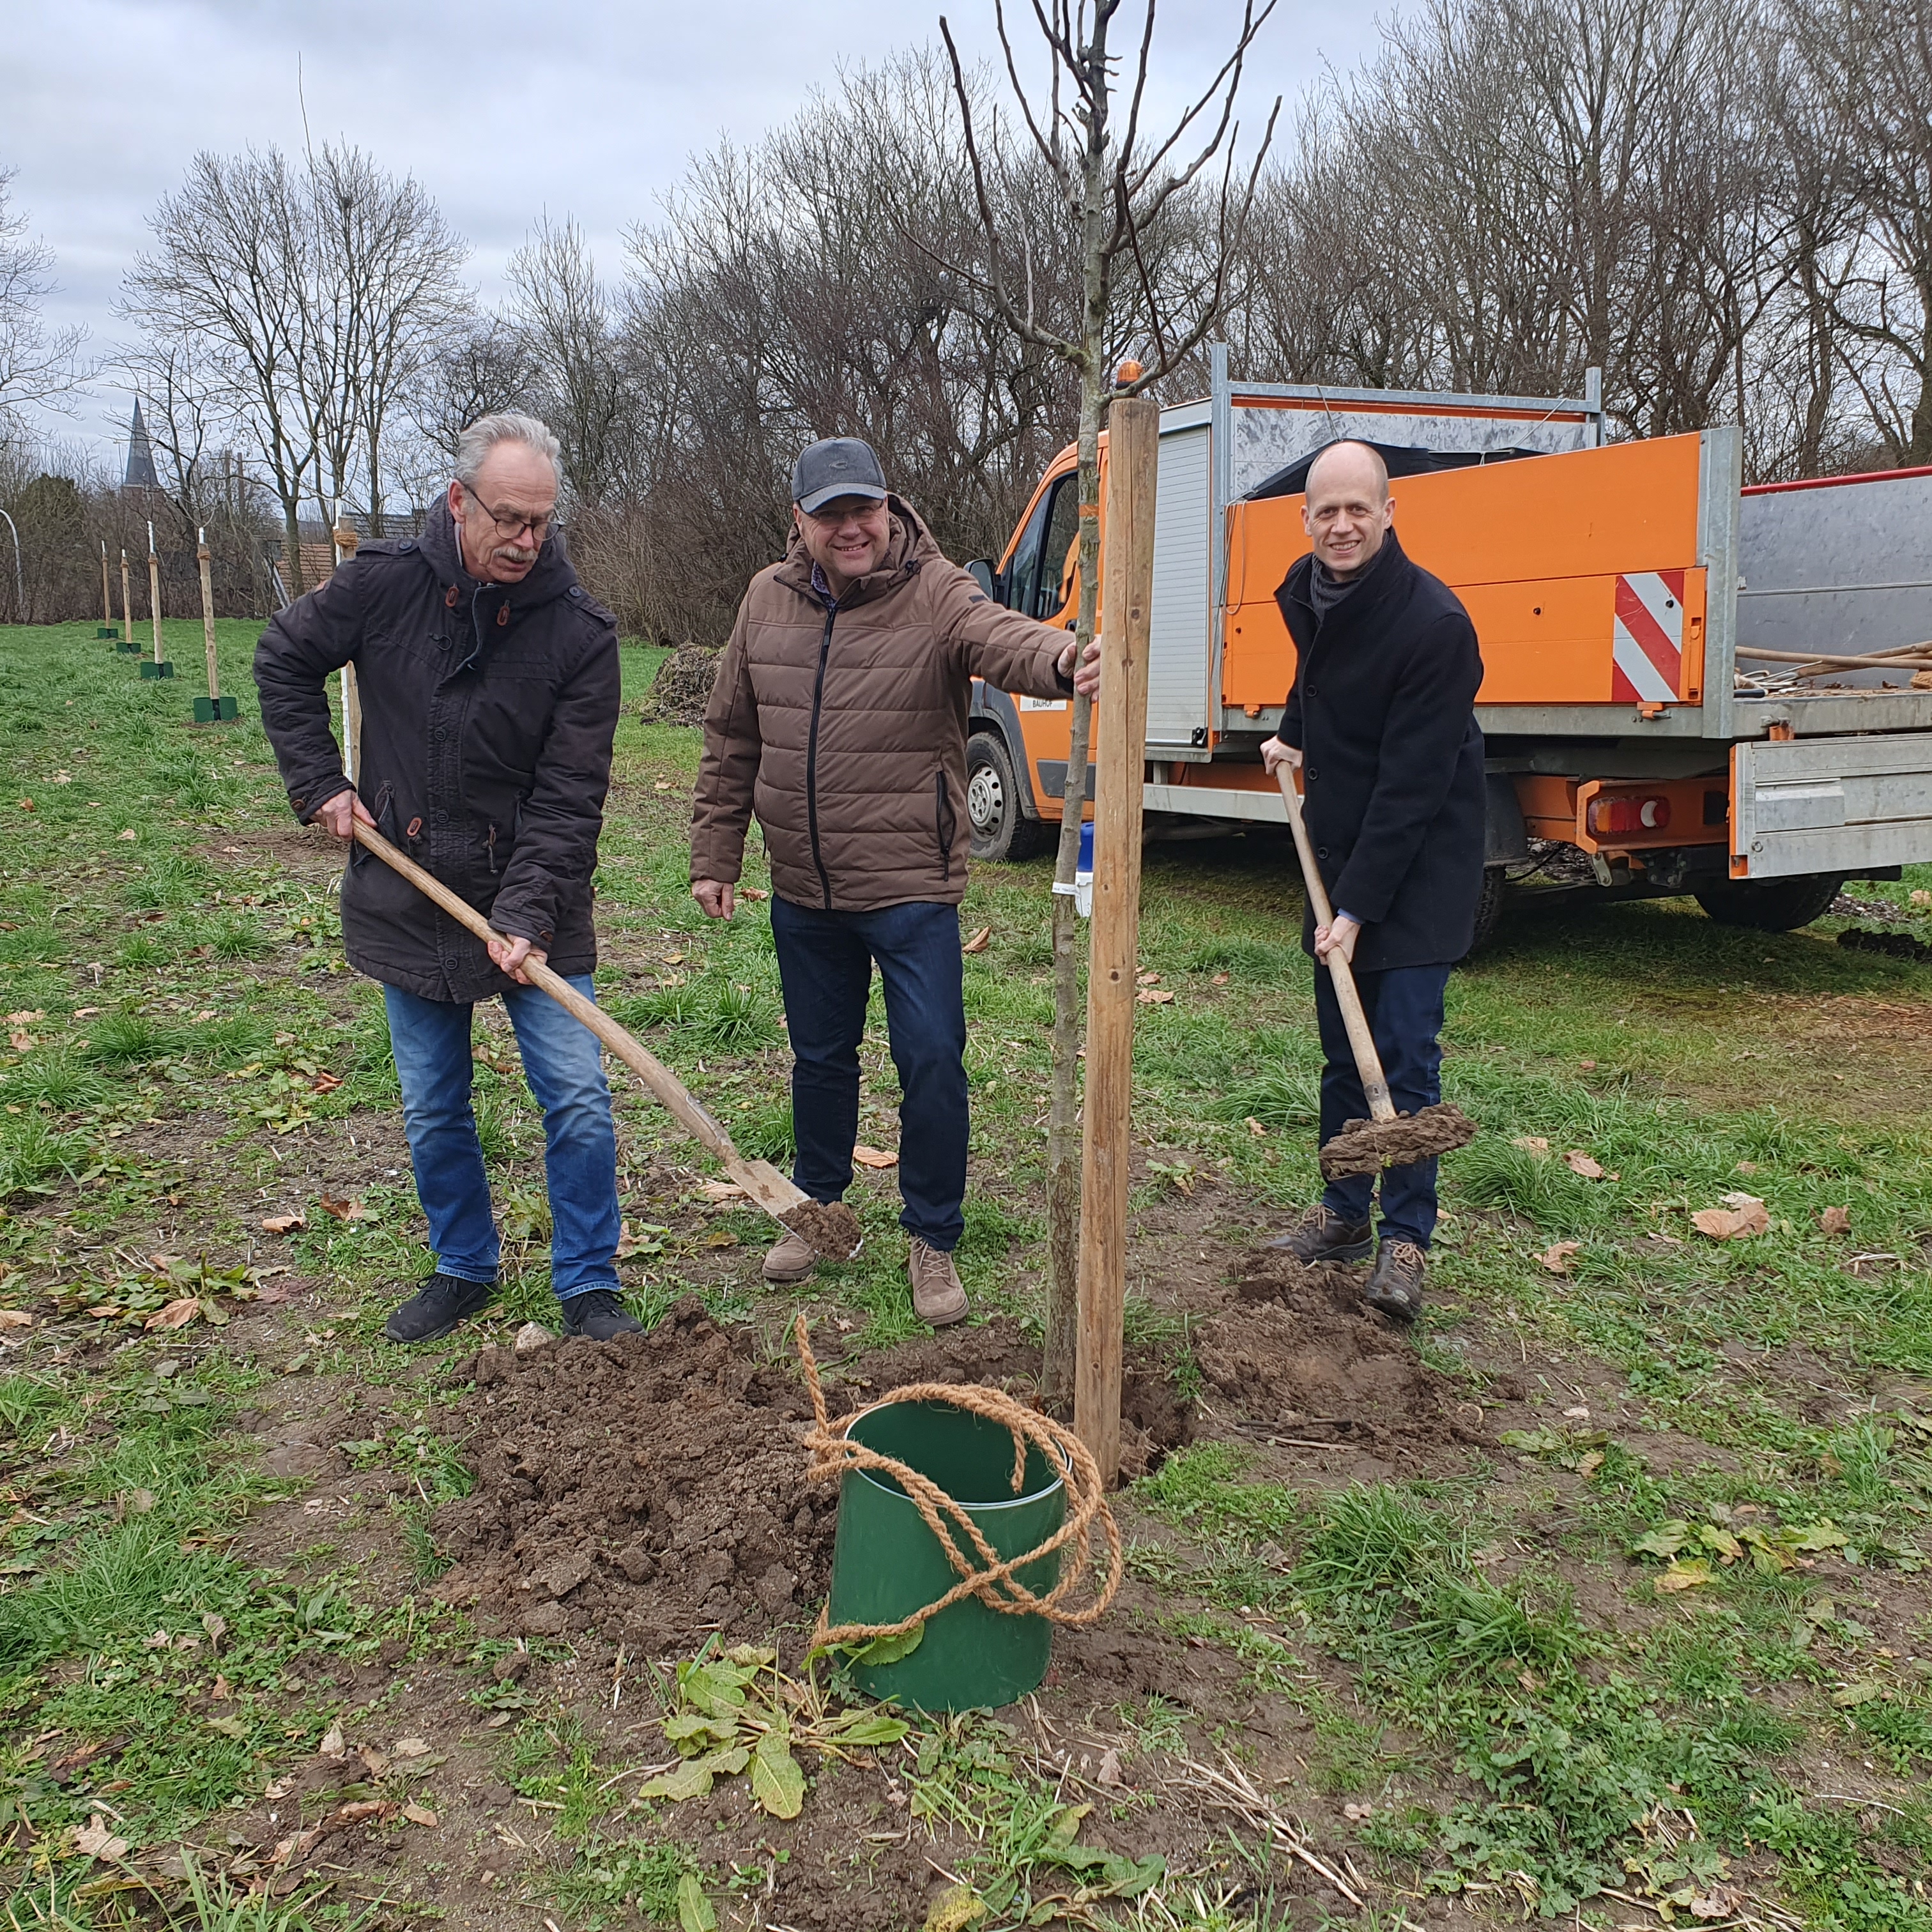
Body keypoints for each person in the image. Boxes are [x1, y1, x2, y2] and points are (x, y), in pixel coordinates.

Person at [691, 436, 1100, 1327]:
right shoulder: (766, 601)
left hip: (911, 885)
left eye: (863, 509)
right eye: (830, 513)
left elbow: (1000, 637)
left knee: (931, 1061)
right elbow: (731, 736)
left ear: (889, 506)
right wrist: (715, 855)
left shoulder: (936, 588)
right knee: (821, 1060)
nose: (851, 528)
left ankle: (934, 1237)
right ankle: (820, 1211)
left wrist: (1064, 661)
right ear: (797, 522)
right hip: (804, 887)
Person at [255, 412, 642, 1346]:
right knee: (434, 1105)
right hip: (410, 891)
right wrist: (320, 784)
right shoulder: (383, 584)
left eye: (542, 522)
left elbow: (568, 797)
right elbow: (283, 659)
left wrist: (525, 913)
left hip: (535, 898)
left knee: (579, 1098)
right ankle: (463, 1265)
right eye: (509, 518)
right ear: (459, 501)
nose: (527, 540)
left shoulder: (580, 635)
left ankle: (588, 1282)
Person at [1258, 440, 1485, 1323]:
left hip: (1419, 862)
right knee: (1341, 1059)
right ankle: (1345, 1214)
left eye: (1360, 508)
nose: (1342, 525)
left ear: (1391, 513)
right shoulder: (1313, 591)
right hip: (1341, 845)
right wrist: (1292, 734)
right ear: (1306, 519)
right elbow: (1318, 682)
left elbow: (1413, 786)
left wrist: (1356, 911)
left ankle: (1406, 1238)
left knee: (1403, 1055)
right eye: (1328, 511)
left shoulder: (1434, 626)